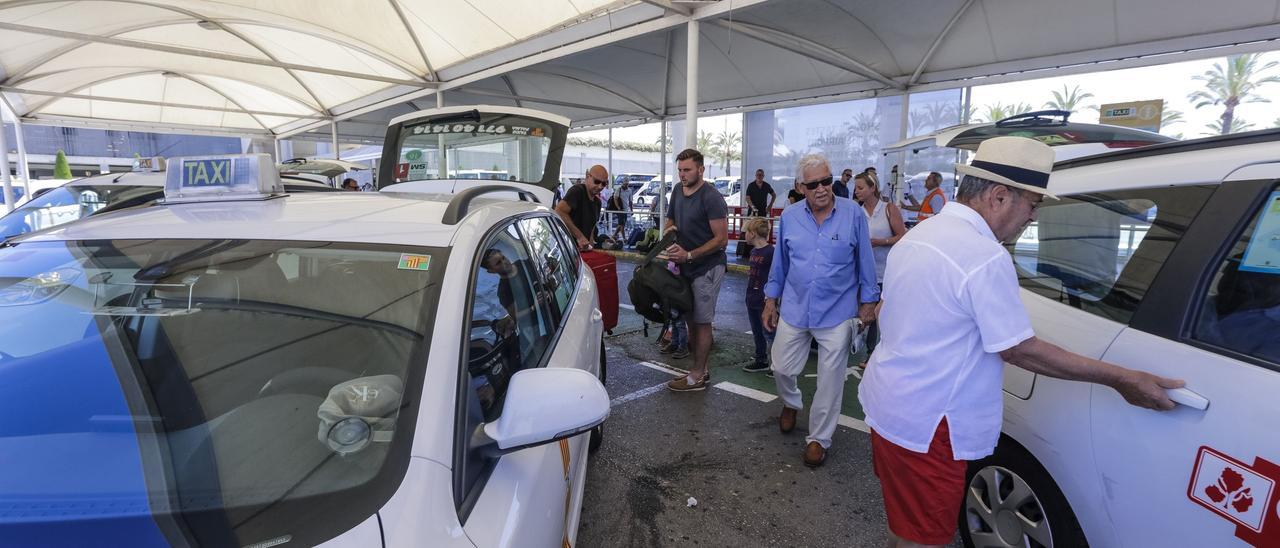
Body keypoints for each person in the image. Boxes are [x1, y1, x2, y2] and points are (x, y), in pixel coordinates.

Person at [858, 137, 1182, 548]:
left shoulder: (923, 234)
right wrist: (1121, 378)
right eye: (1033, 205)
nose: (1032, 217)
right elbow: (1017, 348)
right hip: (932, 426)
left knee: (906, 527)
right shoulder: (983, 256)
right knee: (925, 539)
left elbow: (890, 310)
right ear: (998, 196)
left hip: (891, 408)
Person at [762, 153, 879, 467]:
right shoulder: (789, 216)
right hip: (796, 309)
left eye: (826, 180)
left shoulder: (853, 214)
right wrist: (770, 301)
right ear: (801, 186)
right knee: (782, 367)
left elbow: (865, 262)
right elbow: (780, 264)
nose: (822, 188)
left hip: (837, 313)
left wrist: (869, 304)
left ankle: (818, 439)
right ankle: (791, 402)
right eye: (813, 184)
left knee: (830, 379)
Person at [662, 148, 728, 392]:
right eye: (680, 170)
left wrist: (689, 254)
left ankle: (697, 375)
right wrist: (669, 233)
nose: (682, 174)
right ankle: (701, 369)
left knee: (702, 322)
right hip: (685, 266)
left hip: (707, 266)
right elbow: (671, 221)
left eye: (687, 170)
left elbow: (721, 240)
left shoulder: (711, 197)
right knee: (691, 319)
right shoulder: (678, 190)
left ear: (701, 169)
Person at [852, 171, 906, 370]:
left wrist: (880, 242)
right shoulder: (856, 211)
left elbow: (902, 236)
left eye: (860, 187)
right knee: (861, 311)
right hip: (861, 272)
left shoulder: (888, 209)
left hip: (884, 270)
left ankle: (873, 353)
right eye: (855, 188)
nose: (856, 191)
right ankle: (860, 347)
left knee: (877, 314)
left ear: (872, 188)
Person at [741, 217, 776, 374]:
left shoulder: (771, 252)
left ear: (753, 233)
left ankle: (775, 364)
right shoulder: (754, 251)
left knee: (769, 332)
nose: (744, 236)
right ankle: (761, 359)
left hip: (764, 299)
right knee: (757, 331)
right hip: (752, 297)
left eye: (746, 232)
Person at [556, 165, 607, 250]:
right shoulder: (577, 191)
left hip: (582, 252)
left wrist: (590, 248)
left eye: (604, 183)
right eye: (597, 181)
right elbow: (559, 211)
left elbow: (591, 230)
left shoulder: (598, 203)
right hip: (567, 250)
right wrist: (579, 237)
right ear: (587, 176)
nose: (600, 186)